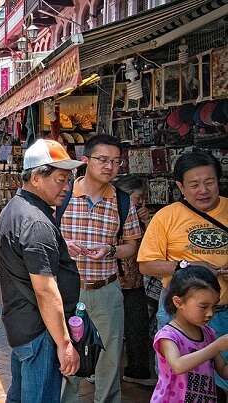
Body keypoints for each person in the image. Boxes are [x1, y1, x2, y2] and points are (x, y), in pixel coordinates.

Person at [0, 139, 83, 402]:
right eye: (60, 179)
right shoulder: (36, 222)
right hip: (40, 332)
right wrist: (65, 343)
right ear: (36, 177)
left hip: (25, 326)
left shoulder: (18, 208)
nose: (66, 188)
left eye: (68, 180)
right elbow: (46, 291)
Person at [60, 134, 143, 403]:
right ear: (86, 160)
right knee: (67, 353)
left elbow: (131, 243)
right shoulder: (62, 195)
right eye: (103, 160)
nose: (110, 167)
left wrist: (111, 251)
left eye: (116, 162)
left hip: (107, 290)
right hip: (68, 292)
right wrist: (63, 245)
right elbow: (42, 237)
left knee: (109, 356)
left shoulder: (121, 201)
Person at [138, 151, 228, 391]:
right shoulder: (166, 217)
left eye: (209, 183)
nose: (203, 190)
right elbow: (146, 264)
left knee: (221, 382)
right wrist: (186, 266)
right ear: (180, 186)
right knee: (178, 384)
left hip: (224, 313)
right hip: (178, 316)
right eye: (194, 185)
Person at [153, 265, 228, 402]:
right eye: (203, 307)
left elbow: (223, 370)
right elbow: (177, 365)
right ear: (178, 302)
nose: (210, 313)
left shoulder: (208, 333)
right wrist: (216, 346)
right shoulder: (168, 336)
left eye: (214, 306)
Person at [113, 174, 155, 386]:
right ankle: (94, 369)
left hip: (135, 282)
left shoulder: (141, 217)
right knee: (109, 330)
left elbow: (154, 246)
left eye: (141, 198)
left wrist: (147, 222)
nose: (139, 202)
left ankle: (137, 370)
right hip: (112, 280)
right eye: (135, 197)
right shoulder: (112, 214)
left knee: (136, 327)